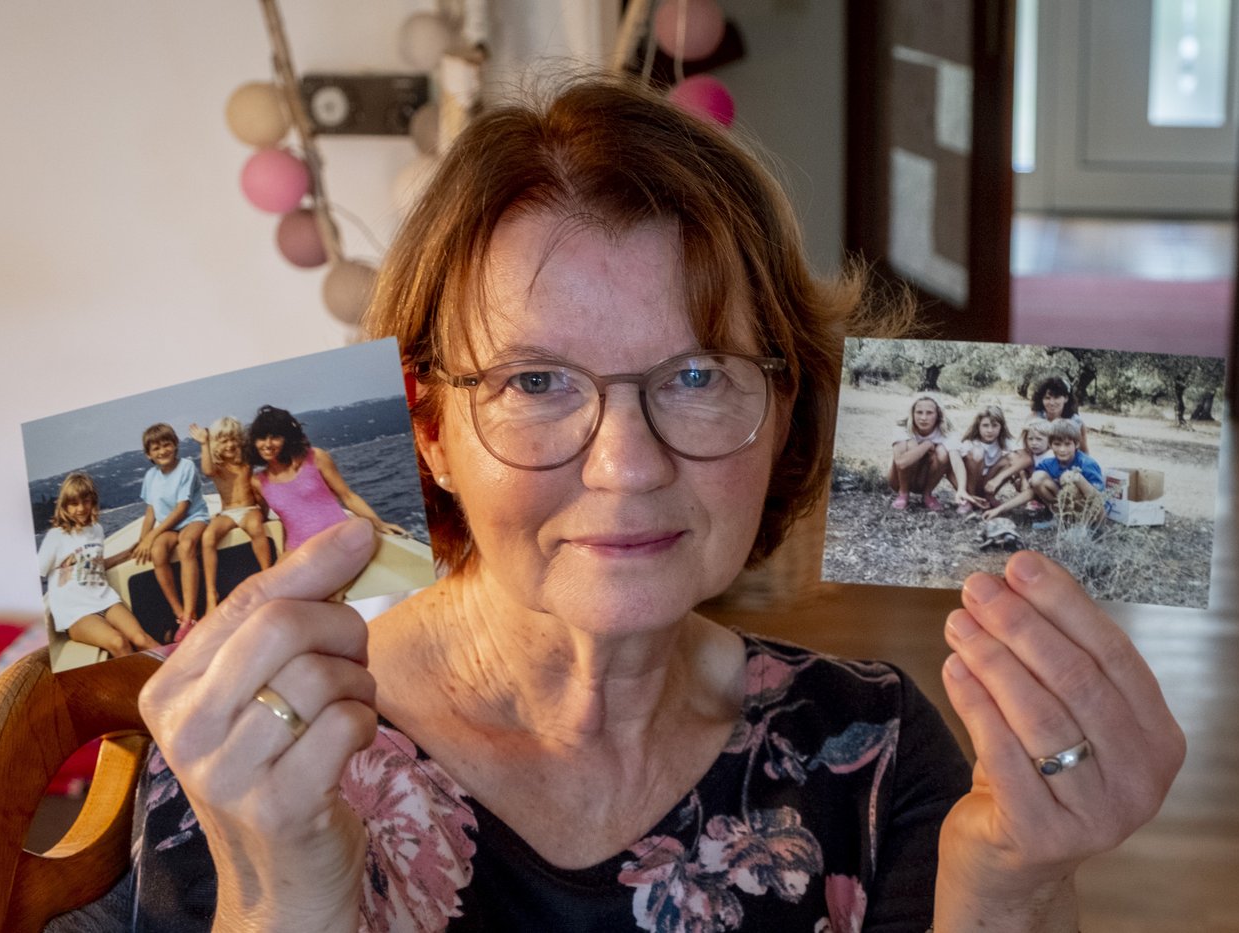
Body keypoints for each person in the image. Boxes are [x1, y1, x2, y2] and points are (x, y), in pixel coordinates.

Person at [63, 77, 1182, 932]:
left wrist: (1009, 893)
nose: (626, 465)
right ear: (428, 427)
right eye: (535, 383)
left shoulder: (877, 751)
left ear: (786, 409)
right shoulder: (250, 748)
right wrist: (283, 906)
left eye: (696, 376)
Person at [247, 405, 406, 556]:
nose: (267, 444)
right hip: (297, 550)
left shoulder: (315, 457)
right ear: (254, 442)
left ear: (286, 439)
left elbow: (347, 496)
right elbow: (263, 516)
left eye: (275, 437)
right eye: (261, 438)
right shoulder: (258, 482)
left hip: (338, 539)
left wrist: (379, 523)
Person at [36, 471, 159, 657]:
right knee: (119, 642)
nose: (81, 508)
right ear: (64, 506)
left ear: (93, 501)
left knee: (142, 639)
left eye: (86, 501)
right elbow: (37, 574)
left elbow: (96, 566)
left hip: (104, 599)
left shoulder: (97, 529)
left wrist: (127, 554)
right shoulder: (56, 536)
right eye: (74, 503)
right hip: (76, 612)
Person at [189, 417, 274, 613]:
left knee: (256, 528)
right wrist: (204, 443)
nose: (229, 445)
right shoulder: (217, 466)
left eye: (233, 439)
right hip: (228, 512)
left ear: (240, 440)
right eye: (224, 441)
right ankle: (211, 592)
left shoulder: (245, 461)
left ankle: (268, 576)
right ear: (216, 444)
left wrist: (265, 512)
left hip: (249, 509)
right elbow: (207, 469)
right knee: (208, 537)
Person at [131, 422, 210, 633]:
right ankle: (179, 613)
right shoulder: (150, 476)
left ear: (175, 445)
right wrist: (143, 540)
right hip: (169, 527)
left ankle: (191, 614)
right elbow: (150, 512)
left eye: (166, 445)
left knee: (186, 546)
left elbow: (182, 508)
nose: (162, 451)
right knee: (157, 551)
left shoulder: (186, 467)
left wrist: (153, 534)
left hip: (193, 518)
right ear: (148, 455)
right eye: (155, 448)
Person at [887, 396, 980, 513]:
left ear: (938, 415)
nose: (923, 418)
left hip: (924, 479)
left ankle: (927, 495)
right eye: (919, 412)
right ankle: (903, 493)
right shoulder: (903, 428)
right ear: (912, 413)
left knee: (943, 451)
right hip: (898, 481)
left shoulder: (946, 431)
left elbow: (956, 461)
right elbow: (901, 463)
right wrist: (927, 444)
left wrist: (961, 489)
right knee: (912, 445)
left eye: (929, 413)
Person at [1029, 418, 1106, 528]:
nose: (1062, 449)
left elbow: (1099, 500)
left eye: (1067, 444)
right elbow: (1032, 485)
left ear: (1077, 444)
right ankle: (1062, 519)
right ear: (1050, 445)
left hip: (1092, 513)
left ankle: (1083, 526)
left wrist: (1078, 479)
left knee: (1069, 477)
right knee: (1037, 478)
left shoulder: (1087, 463)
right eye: (1057, 444)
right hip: (1067, 508)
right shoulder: (1047, 464)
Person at [983, 418, 1052, 521]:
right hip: (1039, 489)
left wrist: (999, 509)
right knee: (1018, 479)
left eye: (1039, 439)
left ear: (1050, 440)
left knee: (1030, 481)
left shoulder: (1050, 457)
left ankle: (1054, 514)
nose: (1034, 443)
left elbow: (1031, 491)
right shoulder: (1034, 454)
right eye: (1030, 439)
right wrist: (1023, 478)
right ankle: (984, 491)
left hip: (1057, 496)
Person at [953, 404, 1013, 516]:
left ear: (1001, 427)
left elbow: (1023, 457)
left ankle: (988, 497)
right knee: (977, 453)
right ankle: (969, 499)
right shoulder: (969, 442)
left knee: (1011, 459)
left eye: (995, 426)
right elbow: (953, 463)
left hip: (989, 483)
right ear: (978, 426)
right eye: (985, 425)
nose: (990, 430)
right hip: (971, 483)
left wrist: (1022, 479)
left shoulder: (1005, 441)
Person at [1031, 376, 1089, 452]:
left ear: (1066, 398)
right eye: (1047, 398)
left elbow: (1084, 452)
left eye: (1056, 397)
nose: (1051, 403)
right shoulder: (1035, 417)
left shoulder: (1076, 422)